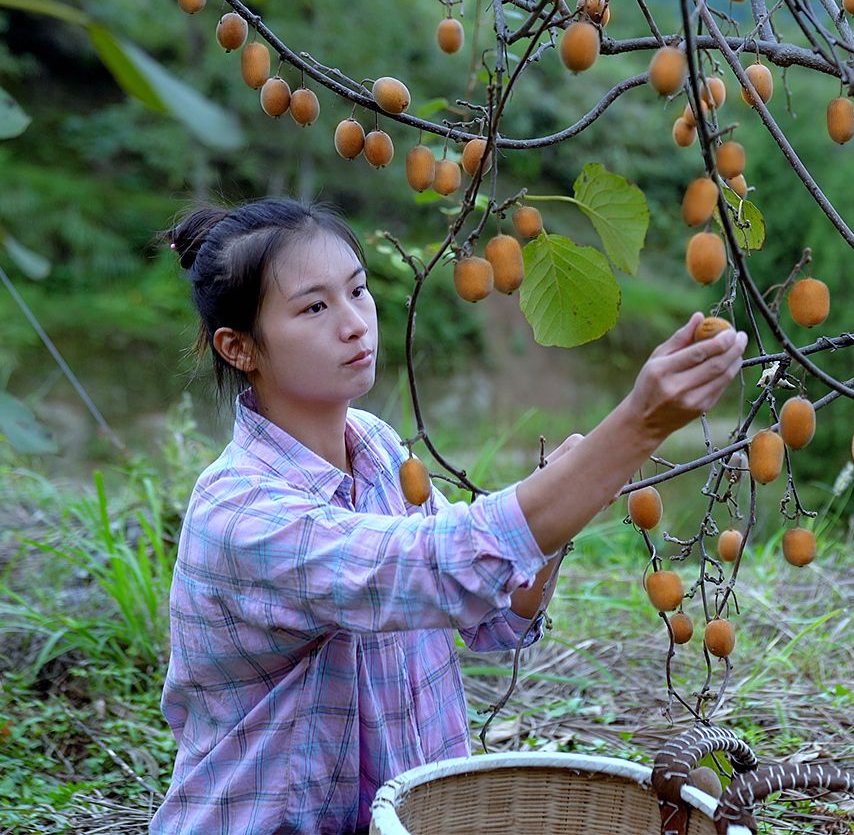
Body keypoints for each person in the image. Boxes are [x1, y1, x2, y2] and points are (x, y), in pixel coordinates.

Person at [148, 197, 746, 834]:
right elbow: (438, 568)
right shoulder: (240, 513)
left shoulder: (375, 449)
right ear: (239, 348)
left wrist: (571, 496)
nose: (354, 324)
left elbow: (494, 619)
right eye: (315, 307)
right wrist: (634, 427)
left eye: (359, 290)